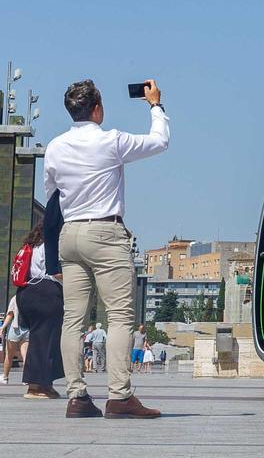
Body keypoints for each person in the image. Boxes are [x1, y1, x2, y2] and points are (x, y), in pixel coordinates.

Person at [47, 79, 169, 419]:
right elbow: (160, 141)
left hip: (69, 235)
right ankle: (119, 396)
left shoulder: (56, 147)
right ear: (97, 109)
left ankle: (77, 397)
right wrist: (155, 105)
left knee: (73, 319)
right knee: (119, 315)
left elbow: (53, 195)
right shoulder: (110, 141)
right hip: (105, 231)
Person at [14, 223, 66, 400]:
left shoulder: (30, 245)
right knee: (46, 340)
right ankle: (36, 386)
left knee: (39, 338)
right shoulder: (51, 244)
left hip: (26, 292)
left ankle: (44, 383)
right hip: (46, 292)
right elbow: (56, 272)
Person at [2, 296, 29, 384]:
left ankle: (5, 377)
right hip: (28, 329)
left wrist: (3, 327)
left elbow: (10, 314)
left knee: (9, 355)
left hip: (15, 328)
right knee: (25, 356)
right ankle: (26, 379)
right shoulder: (33, 297)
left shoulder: (16, 298)